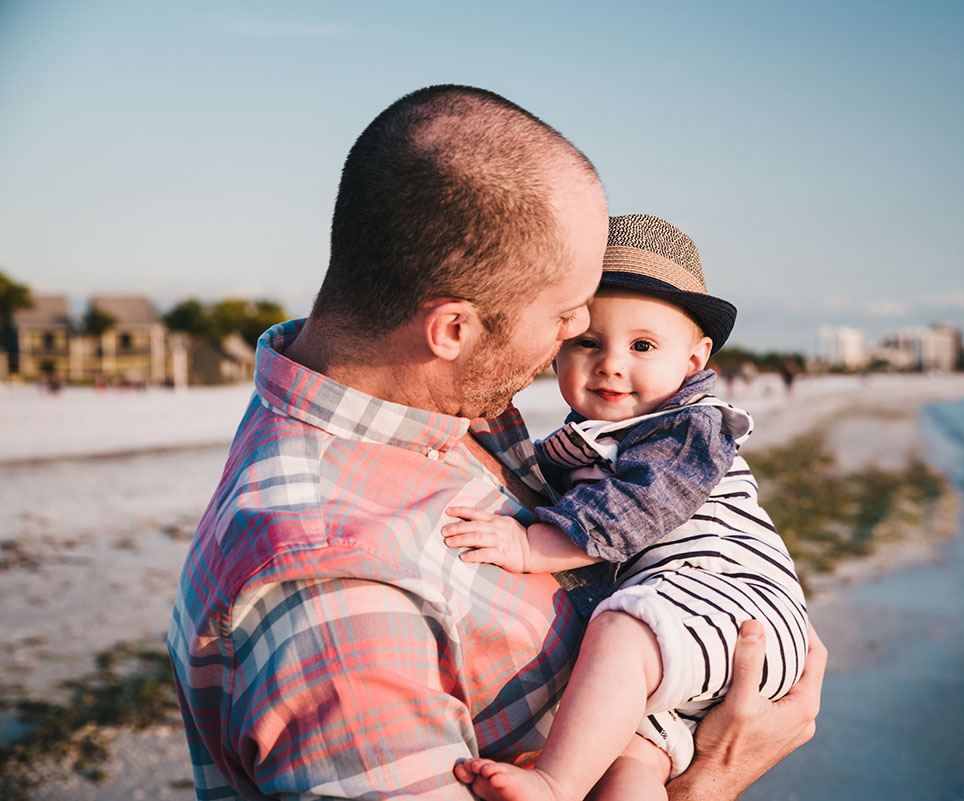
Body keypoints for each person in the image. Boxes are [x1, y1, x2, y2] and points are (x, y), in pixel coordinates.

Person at [167, 85, 826, 800]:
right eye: (567, 315)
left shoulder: (440, 402)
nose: (574, 339)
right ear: (453, 329)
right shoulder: (339, 599)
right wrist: (709, 782)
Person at [445, 215, 809, 801]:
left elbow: (632, 509)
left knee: (619, 629)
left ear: (695, 359)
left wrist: (527, 545)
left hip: (735, 603)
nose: (611, 363)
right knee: (629, 761)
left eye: (642, 346)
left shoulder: (689, 428)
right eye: (588, 342)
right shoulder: (586, 436)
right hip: (682, 625)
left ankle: (554, 783)